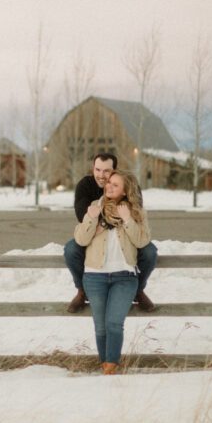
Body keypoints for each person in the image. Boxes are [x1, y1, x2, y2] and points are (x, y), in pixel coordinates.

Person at [74, 169, 151, 374]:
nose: (109, 186)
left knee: (114, 323)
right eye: (109, 183)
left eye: (115, 185)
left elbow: (142, 241)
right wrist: (91, 219)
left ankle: (111, 367)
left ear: (126, 191)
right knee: (100, 327)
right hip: (94, 276)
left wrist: (127, 220)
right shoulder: (94, 207)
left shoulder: (137, 213)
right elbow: (80, 240)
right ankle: (105, 367)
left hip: (124, 277)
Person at [64, 153, 157, 313]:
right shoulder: (84, 185)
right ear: (92, 168)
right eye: (97, 169)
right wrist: (108, 221)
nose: (101, 175)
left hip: (125, 236)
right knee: (71, 249)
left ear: (115, 170)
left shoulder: (128, 184)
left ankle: (138, 290)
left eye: (106, 171)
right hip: (93, 236)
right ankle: (82, 290)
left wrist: (113, 221)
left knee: (150, 251)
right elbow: (83, 217)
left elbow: (134, 213)